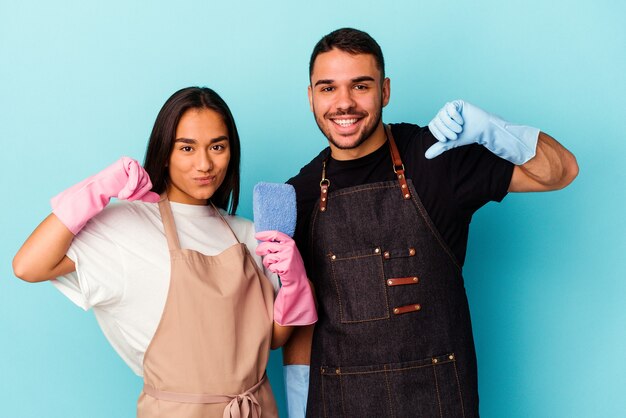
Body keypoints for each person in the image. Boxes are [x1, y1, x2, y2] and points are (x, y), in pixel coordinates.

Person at [282, 28, 579, 417]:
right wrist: (299, 401)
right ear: (310, 97)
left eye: (360, 86)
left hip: (437, 399)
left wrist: (496, 131)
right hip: (340, 403)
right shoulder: (299, 194)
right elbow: (303, 322)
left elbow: (561, 172)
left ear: (385, 91)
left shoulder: (435, 158)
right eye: (328, 88)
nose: (344, 103)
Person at [12, 86, 317, 418]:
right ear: (164, 152)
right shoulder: (126, 226)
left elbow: (272, 339)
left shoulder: (247, 232)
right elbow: (28, 266)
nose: (205, 164)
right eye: (187, 147)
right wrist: (98, 187)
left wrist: (296, 284)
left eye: (218, 146)